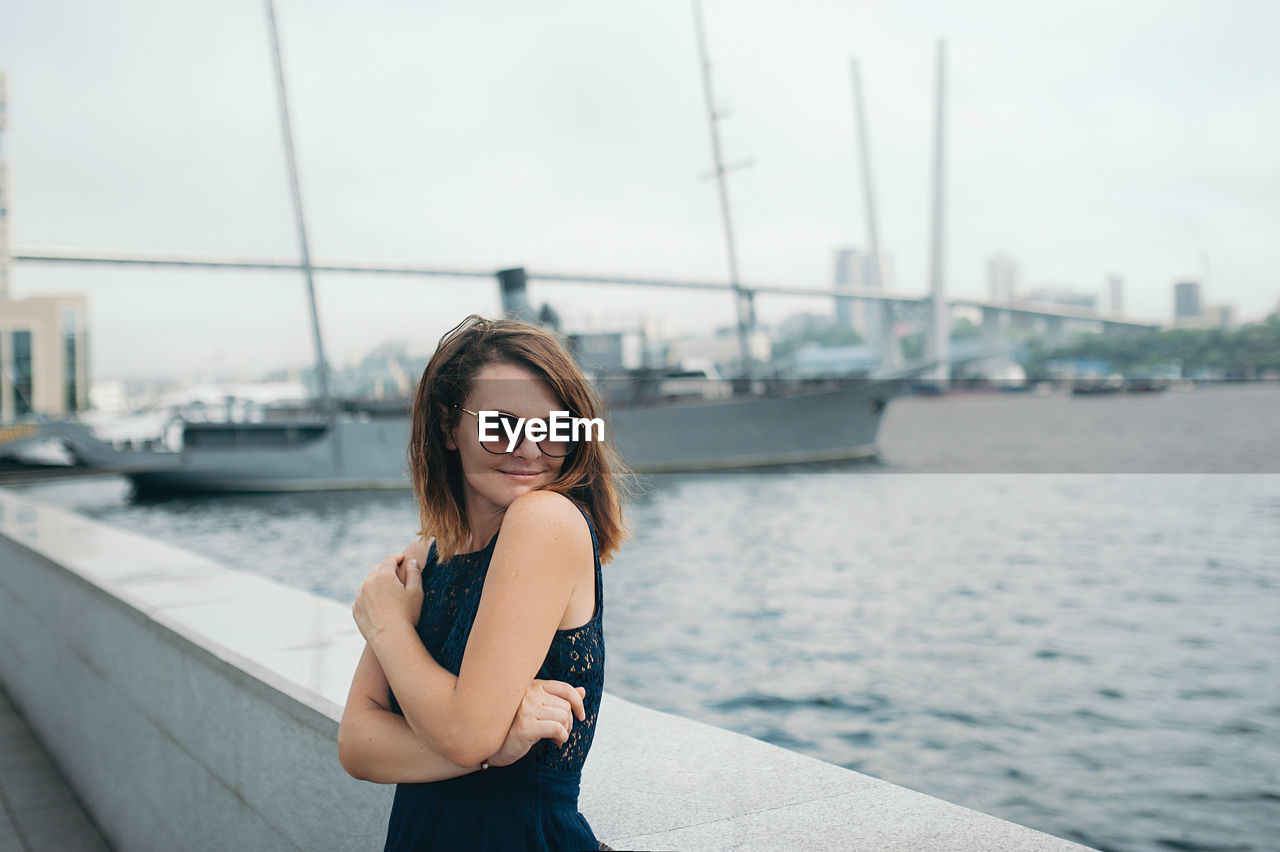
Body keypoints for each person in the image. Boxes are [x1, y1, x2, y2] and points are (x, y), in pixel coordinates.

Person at [338, 314, 633, 851]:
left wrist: (388, 629)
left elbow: (462, 733)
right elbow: (358, 745)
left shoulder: (545, 519)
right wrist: (491, 746)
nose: (528, 448)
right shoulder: (427, 553)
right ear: (450, 427)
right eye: (500, 425)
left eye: (553, 427)